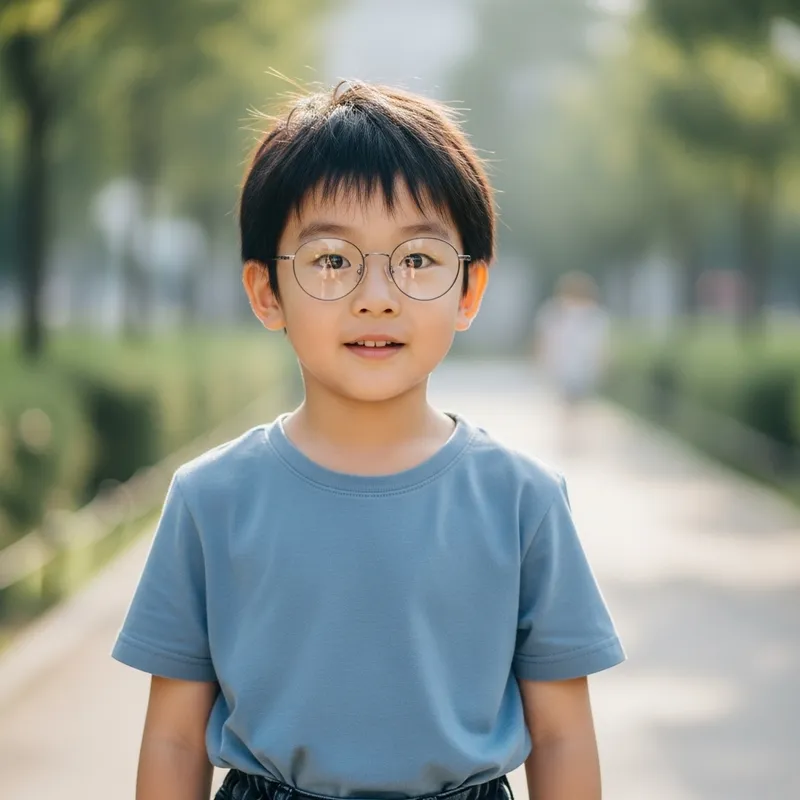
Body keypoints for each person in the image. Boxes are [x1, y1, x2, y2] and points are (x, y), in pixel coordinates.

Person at [111, 81, 625, 800]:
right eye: (331, 259)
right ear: (265, 293)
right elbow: (172, 736)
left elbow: (564, 733)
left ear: (469, 291)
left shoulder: (523, 500)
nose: (375, 295)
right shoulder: (210, 498)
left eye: (417, 260)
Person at [533, 272, 610, 453]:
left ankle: (573, 434)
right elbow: (545, 339)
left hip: (580, 365)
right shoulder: (556, 312)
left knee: (575, 401)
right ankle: (571, 435)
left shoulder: (593, 315)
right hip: (565, 364)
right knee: (569, 401)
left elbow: (600, 344)